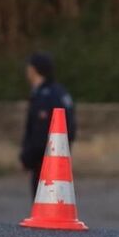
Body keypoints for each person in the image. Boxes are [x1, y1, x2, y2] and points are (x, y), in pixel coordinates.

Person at [20, 52, 76, 198]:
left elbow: (40, 133)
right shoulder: (60, 93)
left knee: (45, 204)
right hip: (58, 160)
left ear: (34, 70)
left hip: (45, 163)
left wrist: (28, 157)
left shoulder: (45, 97)